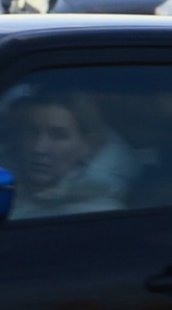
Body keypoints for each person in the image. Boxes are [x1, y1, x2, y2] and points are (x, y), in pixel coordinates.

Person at [8, 88, 135, 218]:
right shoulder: (2, 188)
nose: (39, 148)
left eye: (58, 136)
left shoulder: (100, 213)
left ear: (89, 145)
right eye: (32, 132)